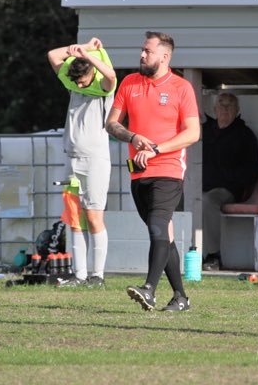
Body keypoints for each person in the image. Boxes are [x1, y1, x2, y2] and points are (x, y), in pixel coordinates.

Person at [106, 31, 200, 311]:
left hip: (168, 171)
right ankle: (181, 297)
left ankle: (149, 289)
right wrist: (133, 137)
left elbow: (193, 133)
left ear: (164, 56)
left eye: (147, 51)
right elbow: (112, 124)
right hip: (138, 172)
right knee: (163, 235)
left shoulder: (181, 87)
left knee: (158, 227)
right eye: (142, 50)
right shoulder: (129, 83)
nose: (142, 55)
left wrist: (157, 148)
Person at [47, 37, 117, 287]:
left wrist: (91, 57)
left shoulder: (103, 88)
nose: (78, 84)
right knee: (74, 218)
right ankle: (79, 275)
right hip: (72, 159)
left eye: (83, 80)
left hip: (95, 160)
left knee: (94, 216)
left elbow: (111, 76)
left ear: (91, 71)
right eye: (75, 81)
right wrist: (83, 47)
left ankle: (97, 275)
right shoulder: (75, 84)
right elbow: (53, 56)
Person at [202, 93, 258, 270]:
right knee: (172, 198)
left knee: (207, 201)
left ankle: (213, 256)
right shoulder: (203, 131)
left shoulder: (245, 135)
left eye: (230, 105)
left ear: (237, 110)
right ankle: (172, 252)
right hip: (200, 186)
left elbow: (253, 171)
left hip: (227, 189)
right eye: (221, 104)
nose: (225, 109)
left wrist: (228, 178)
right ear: (214, 109)